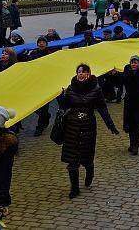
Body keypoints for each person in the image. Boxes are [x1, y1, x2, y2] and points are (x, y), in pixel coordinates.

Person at [59, 63, 119, 198]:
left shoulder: (96, 89)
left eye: (83, 72)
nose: (81, 74)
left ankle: (90, 169)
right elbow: (64, 106)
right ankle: (74, 188)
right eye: (78, 72)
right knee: (72, 158)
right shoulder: (70, 88)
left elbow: (102, 108)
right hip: (72, 126)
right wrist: (62, 96)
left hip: (88, 126)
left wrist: (110, 125)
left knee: (86, 156)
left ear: (89, 74)